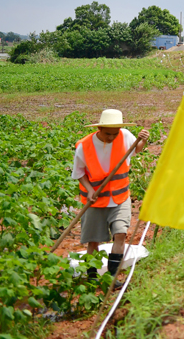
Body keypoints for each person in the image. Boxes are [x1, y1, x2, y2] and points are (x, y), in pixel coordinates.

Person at [72, 109, 149, 281]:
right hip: (95, 200)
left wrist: (142, 140)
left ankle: (112, 277)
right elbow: (78, 173)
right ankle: (92, 278)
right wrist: (90, 190)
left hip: (120, 197)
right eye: (108, 134)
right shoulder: (84, 146)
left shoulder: (125, 135)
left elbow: (135, 150)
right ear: (99, 129)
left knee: (120, 233)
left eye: (115, 134)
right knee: (93, 241)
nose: (111, 138)